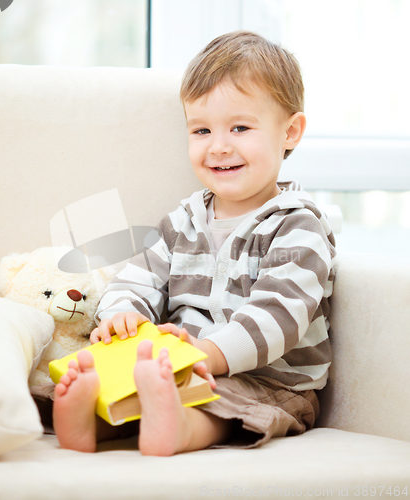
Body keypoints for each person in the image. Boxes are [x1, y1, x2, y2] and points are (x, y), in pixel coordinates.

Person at [52, 30, 336, 456]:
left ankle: (180, 429)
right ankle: (89, 421)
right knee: (132, 389)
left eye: (240, 127)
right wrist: (122, 315)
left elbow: (281, 315)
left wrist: (209, 353)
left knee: (221, 404)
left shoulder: (298, 226)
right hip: (177, 368)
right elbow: (137, 278)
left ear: (290, 132)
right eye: (201, 130)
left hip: (271, 381)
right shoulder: (182, 222)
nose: (218, 146)